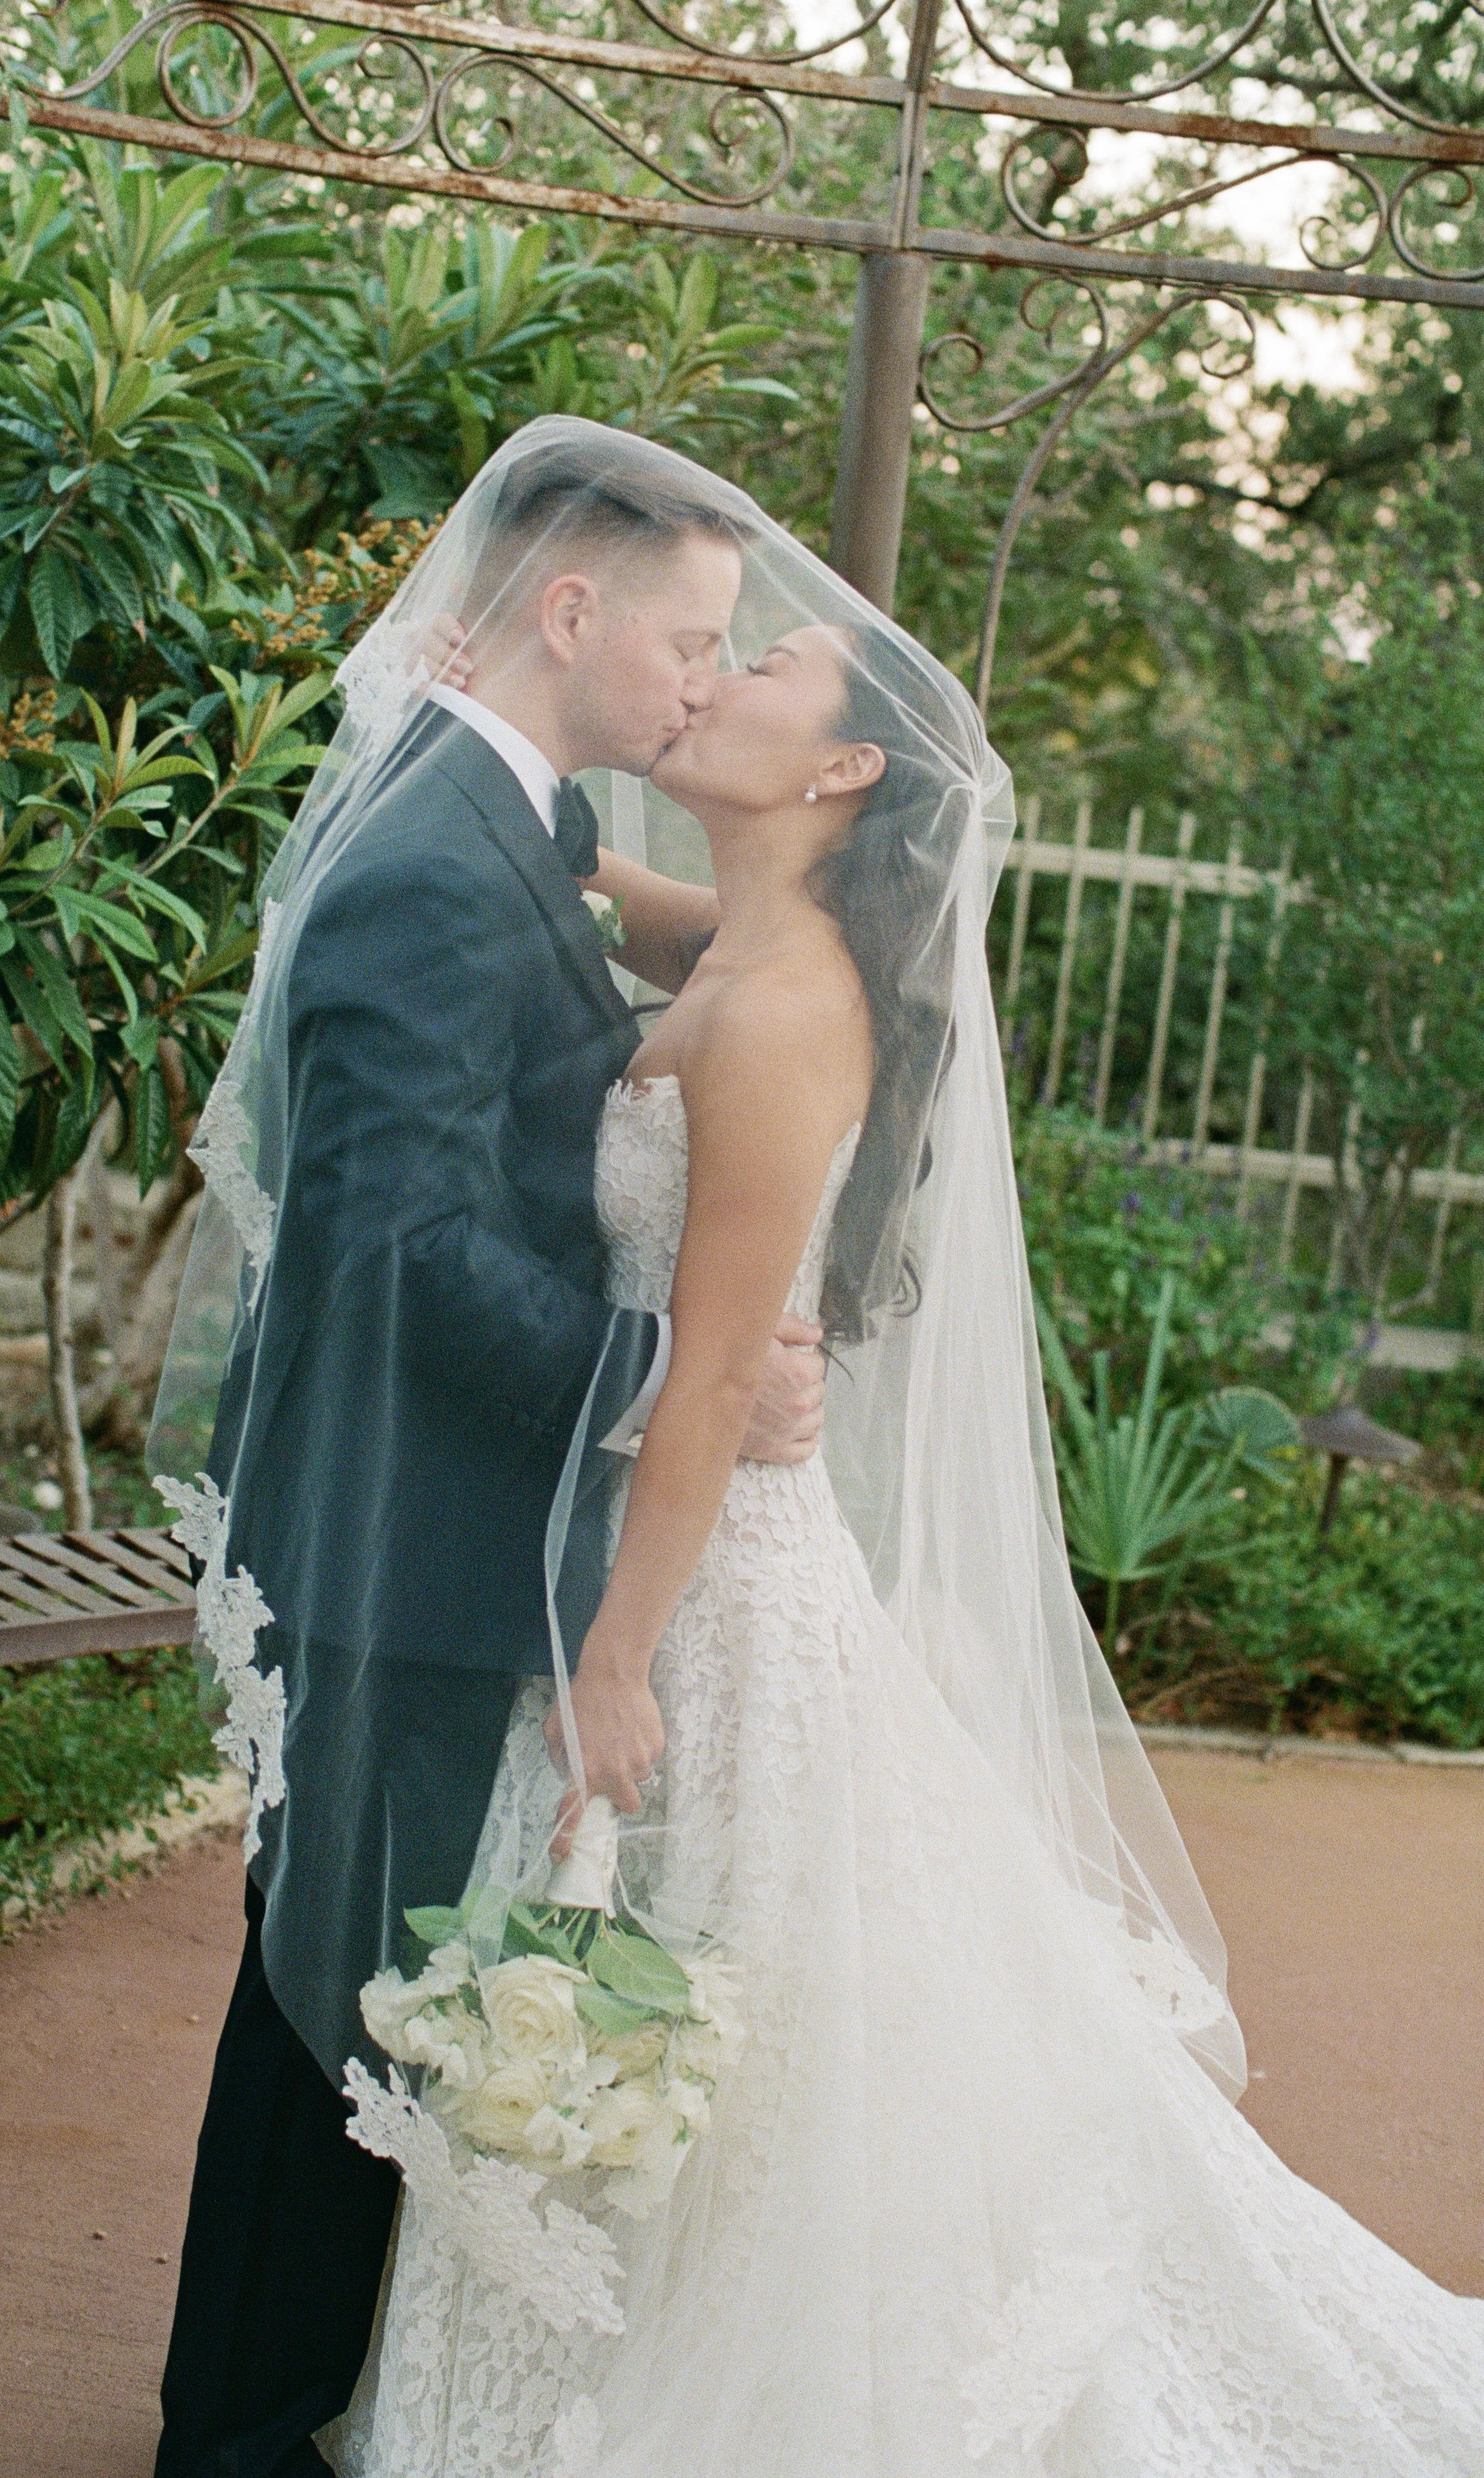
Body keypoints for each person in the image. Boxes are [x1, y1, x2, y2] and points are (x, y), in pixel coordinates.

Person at [286, 427, 1484, 2478]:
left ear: (837, 776)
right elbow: (651, 914)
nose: (717, 680)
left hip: (705, 1587)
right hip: (692, 1550)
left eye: (761, 678)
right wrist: (539, 822)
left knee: (738, 2013)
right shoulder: (743, 943)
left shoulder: (776, 1014)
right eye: (708, 649)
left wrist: (613, 1658)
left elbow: (705, 1388)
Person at [149, 435, 830, 2477]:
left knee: (358, 1990)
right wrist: (659, 1368)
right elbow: (397, 1241)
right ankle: (238, 2436)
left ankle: (268, 2403)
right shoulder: (436, 856)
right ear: (567, 614)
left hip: (437, 1524)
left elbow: (697, 957)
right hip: (393, 1531)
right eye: (688, 641)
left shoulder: (506, 818)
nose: (701, 683)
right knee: (328, 2001)